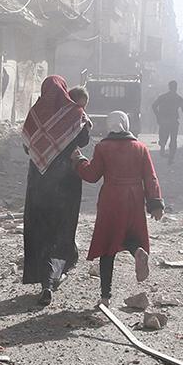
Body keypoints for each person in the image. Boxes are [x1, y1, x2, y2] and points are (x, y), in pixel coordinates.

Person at [74, 111, 165, 308]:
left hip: (112, 198)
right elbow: (151, 177)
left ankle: (105, 297)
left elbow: (91, 175)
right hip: (134, 198)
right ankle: (137, 251)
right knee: (130, 235)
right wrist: (155, 203)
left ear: (109, 126)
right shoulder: (140, 148)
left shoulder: (103, 148)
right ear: (126, 123)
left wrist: (79, 160)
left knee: (108, 245)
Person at [22, 77, 92, 305]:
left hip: (38, 184)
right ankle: (53, 276)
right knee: (61, 228)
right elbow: (84, 140)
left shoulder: (34, 115)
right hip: (66, 184)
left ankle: (44, 277)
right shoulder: (74, 114)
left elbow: (26, 146)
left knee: (40, 230)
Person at [151, 80, 183, 163]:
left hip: (164, 121)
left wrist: (158, 116)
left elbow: (154, 106)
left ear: (169, 87)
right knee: (173, 139)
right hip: (173, 121)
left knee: (163, 137)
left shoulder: (163, 97)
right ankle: (171, 157)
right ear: (176, 88)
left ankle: (163, 150)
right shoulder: (178, 98)